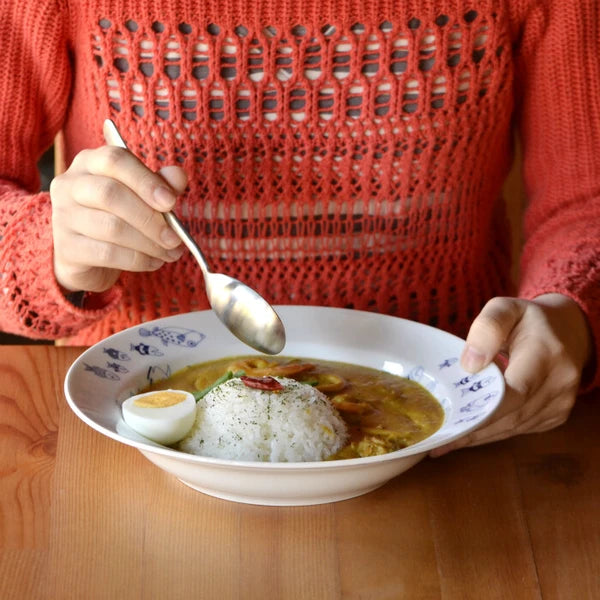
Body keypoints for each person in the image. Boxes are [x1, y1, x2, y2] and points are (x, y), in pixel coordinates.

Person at [0, 1, 598, 455]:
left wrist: (573, 310)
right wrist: (49, 249)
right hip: (128, 434)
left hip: (461, 431)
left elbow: (586, 201)